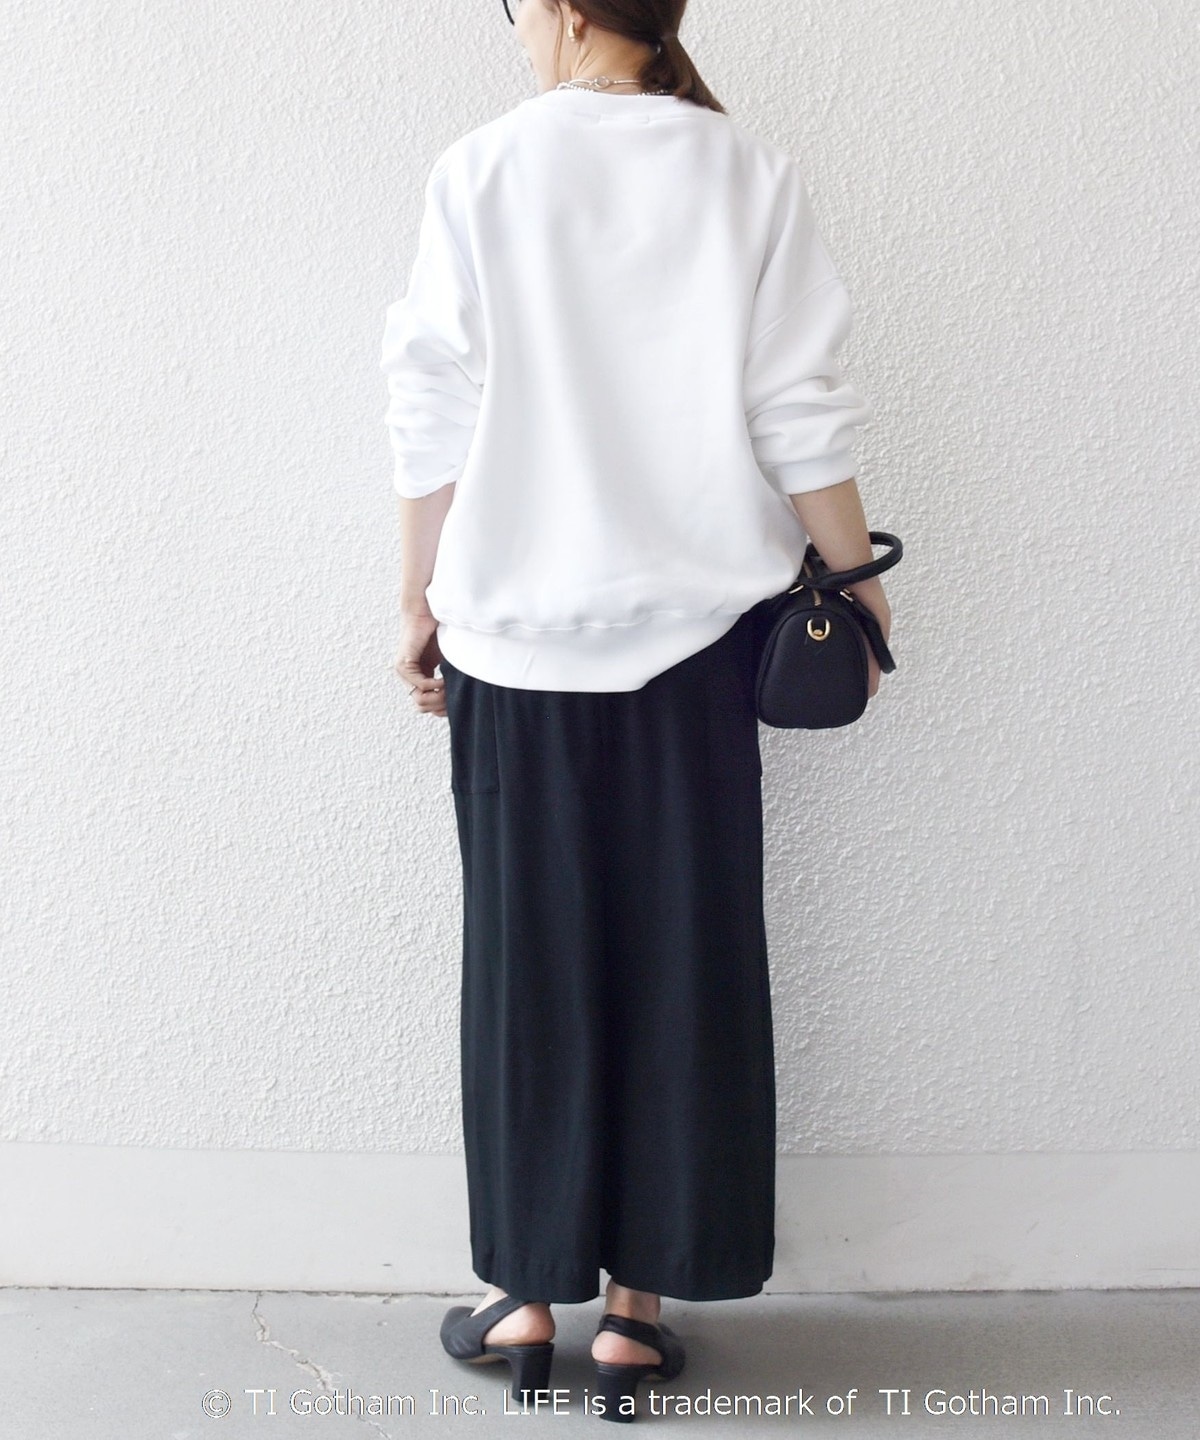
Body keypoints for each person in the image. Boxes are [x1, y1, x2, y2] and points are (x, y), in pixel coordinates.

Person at [380, 0, 892, 1422]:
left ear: (557, 9)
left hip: (513, 646)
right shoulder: (748, 173)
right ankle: (634, 1319)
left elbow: (430, 407)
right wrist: (859, 585)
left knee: (524, 975)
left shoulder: (481, 169)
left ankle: (527, 1299)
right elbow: (799, 407)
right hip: (698, 652)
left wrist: (416, 597)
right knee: (687, 966)